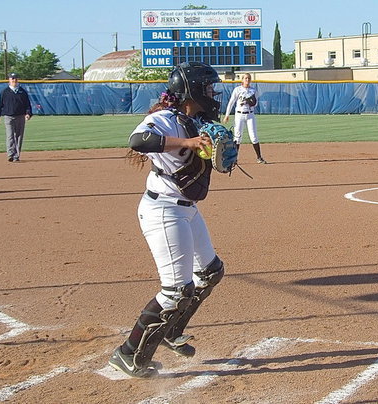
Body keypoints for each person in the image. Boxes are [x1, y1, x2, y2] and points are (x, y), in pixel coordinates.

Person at [109, 62, 227, 378]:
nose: (213, 93)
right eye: (208, 87)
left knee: (210, 272)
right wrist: (186, 144)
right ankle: (128, 354)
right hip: (163, 210)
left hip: (186, 209)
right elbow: (138, 141)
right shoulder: (163, 119)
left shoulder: (198, 120)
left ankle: (171, 332)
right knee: (177, 290)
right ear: (191, 91)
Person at [223, 73, 267, 164]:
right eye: (245, 78)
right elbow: (231, 102)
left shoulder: (253, 90)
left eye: (249, 78)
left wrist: (250, 102)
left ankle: (259, 157)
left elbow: (256, 103)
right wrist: (227, 115)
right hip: (239, 115)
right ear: (242, 80)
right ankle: (234, 159)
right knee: (237, 137)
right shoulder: (237, 90)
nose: (247, 80)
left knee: (254, 137)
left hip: (250, 115)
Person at [0, 73, 32, 162]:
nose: (14, 80)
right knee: (10, 135)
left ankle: (16, 156)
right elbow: (0, 105)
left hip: (20, 116)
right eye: (12, 78)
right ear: (9, 80)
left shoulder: (22, 92)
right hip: (8, 116)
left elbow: (27, 105)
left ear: (17, 80)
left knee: (19, 136)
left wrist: (28, 113)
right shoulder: (5, 92)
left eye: (15, 79)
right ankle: (10, 154)